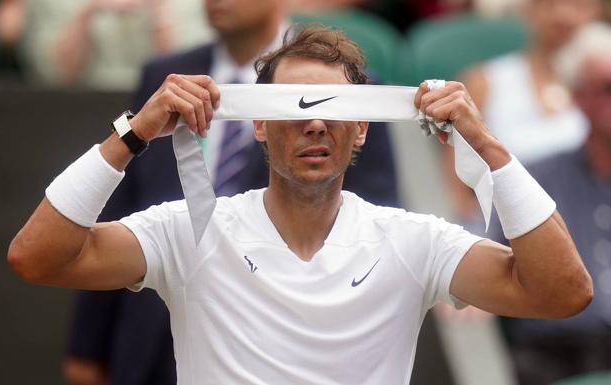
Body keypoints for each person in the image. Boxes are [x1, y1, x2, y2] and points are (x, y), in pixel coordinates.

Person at [8, 26, 592, 385]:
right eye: (293, 108)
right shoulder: (188, 231)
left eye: (334, 107)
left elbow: (562, 292)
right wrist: (132, 133)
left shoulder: (415, 240)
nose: (315, 122)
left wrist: (486, 144)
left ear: (362, 127)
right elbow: (36, 258)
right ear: (259, 124)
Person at [64, 1, 400, 383]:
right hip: (149, 334)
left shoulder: (353, 93)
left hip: (272, 344)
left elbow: (371, 232)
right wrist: (86, 346)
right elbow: (122, 208)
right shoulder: (167, 77)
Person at [482, 22, 611, 385]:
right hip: (551, 352)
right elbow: (487, 244)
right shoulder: (535, 178)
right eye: (608, 89)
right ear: (579, 98)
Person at [448, 0, 601, 220]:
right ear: (529, 9)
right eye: (549, 4)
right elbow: (460, 192)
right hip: (506, 232)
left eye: (576, 4)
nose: (562, 15)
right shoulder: (484, 82)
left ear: (594, 11)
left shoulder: (603, 86)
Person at [18, 0, 212, 90]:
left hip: (162, 110)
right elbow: (57, 76)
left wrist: (158, 10)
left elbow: (191, 76)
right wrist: (90, 11)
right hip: (82, 106)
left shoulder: (191, 5)